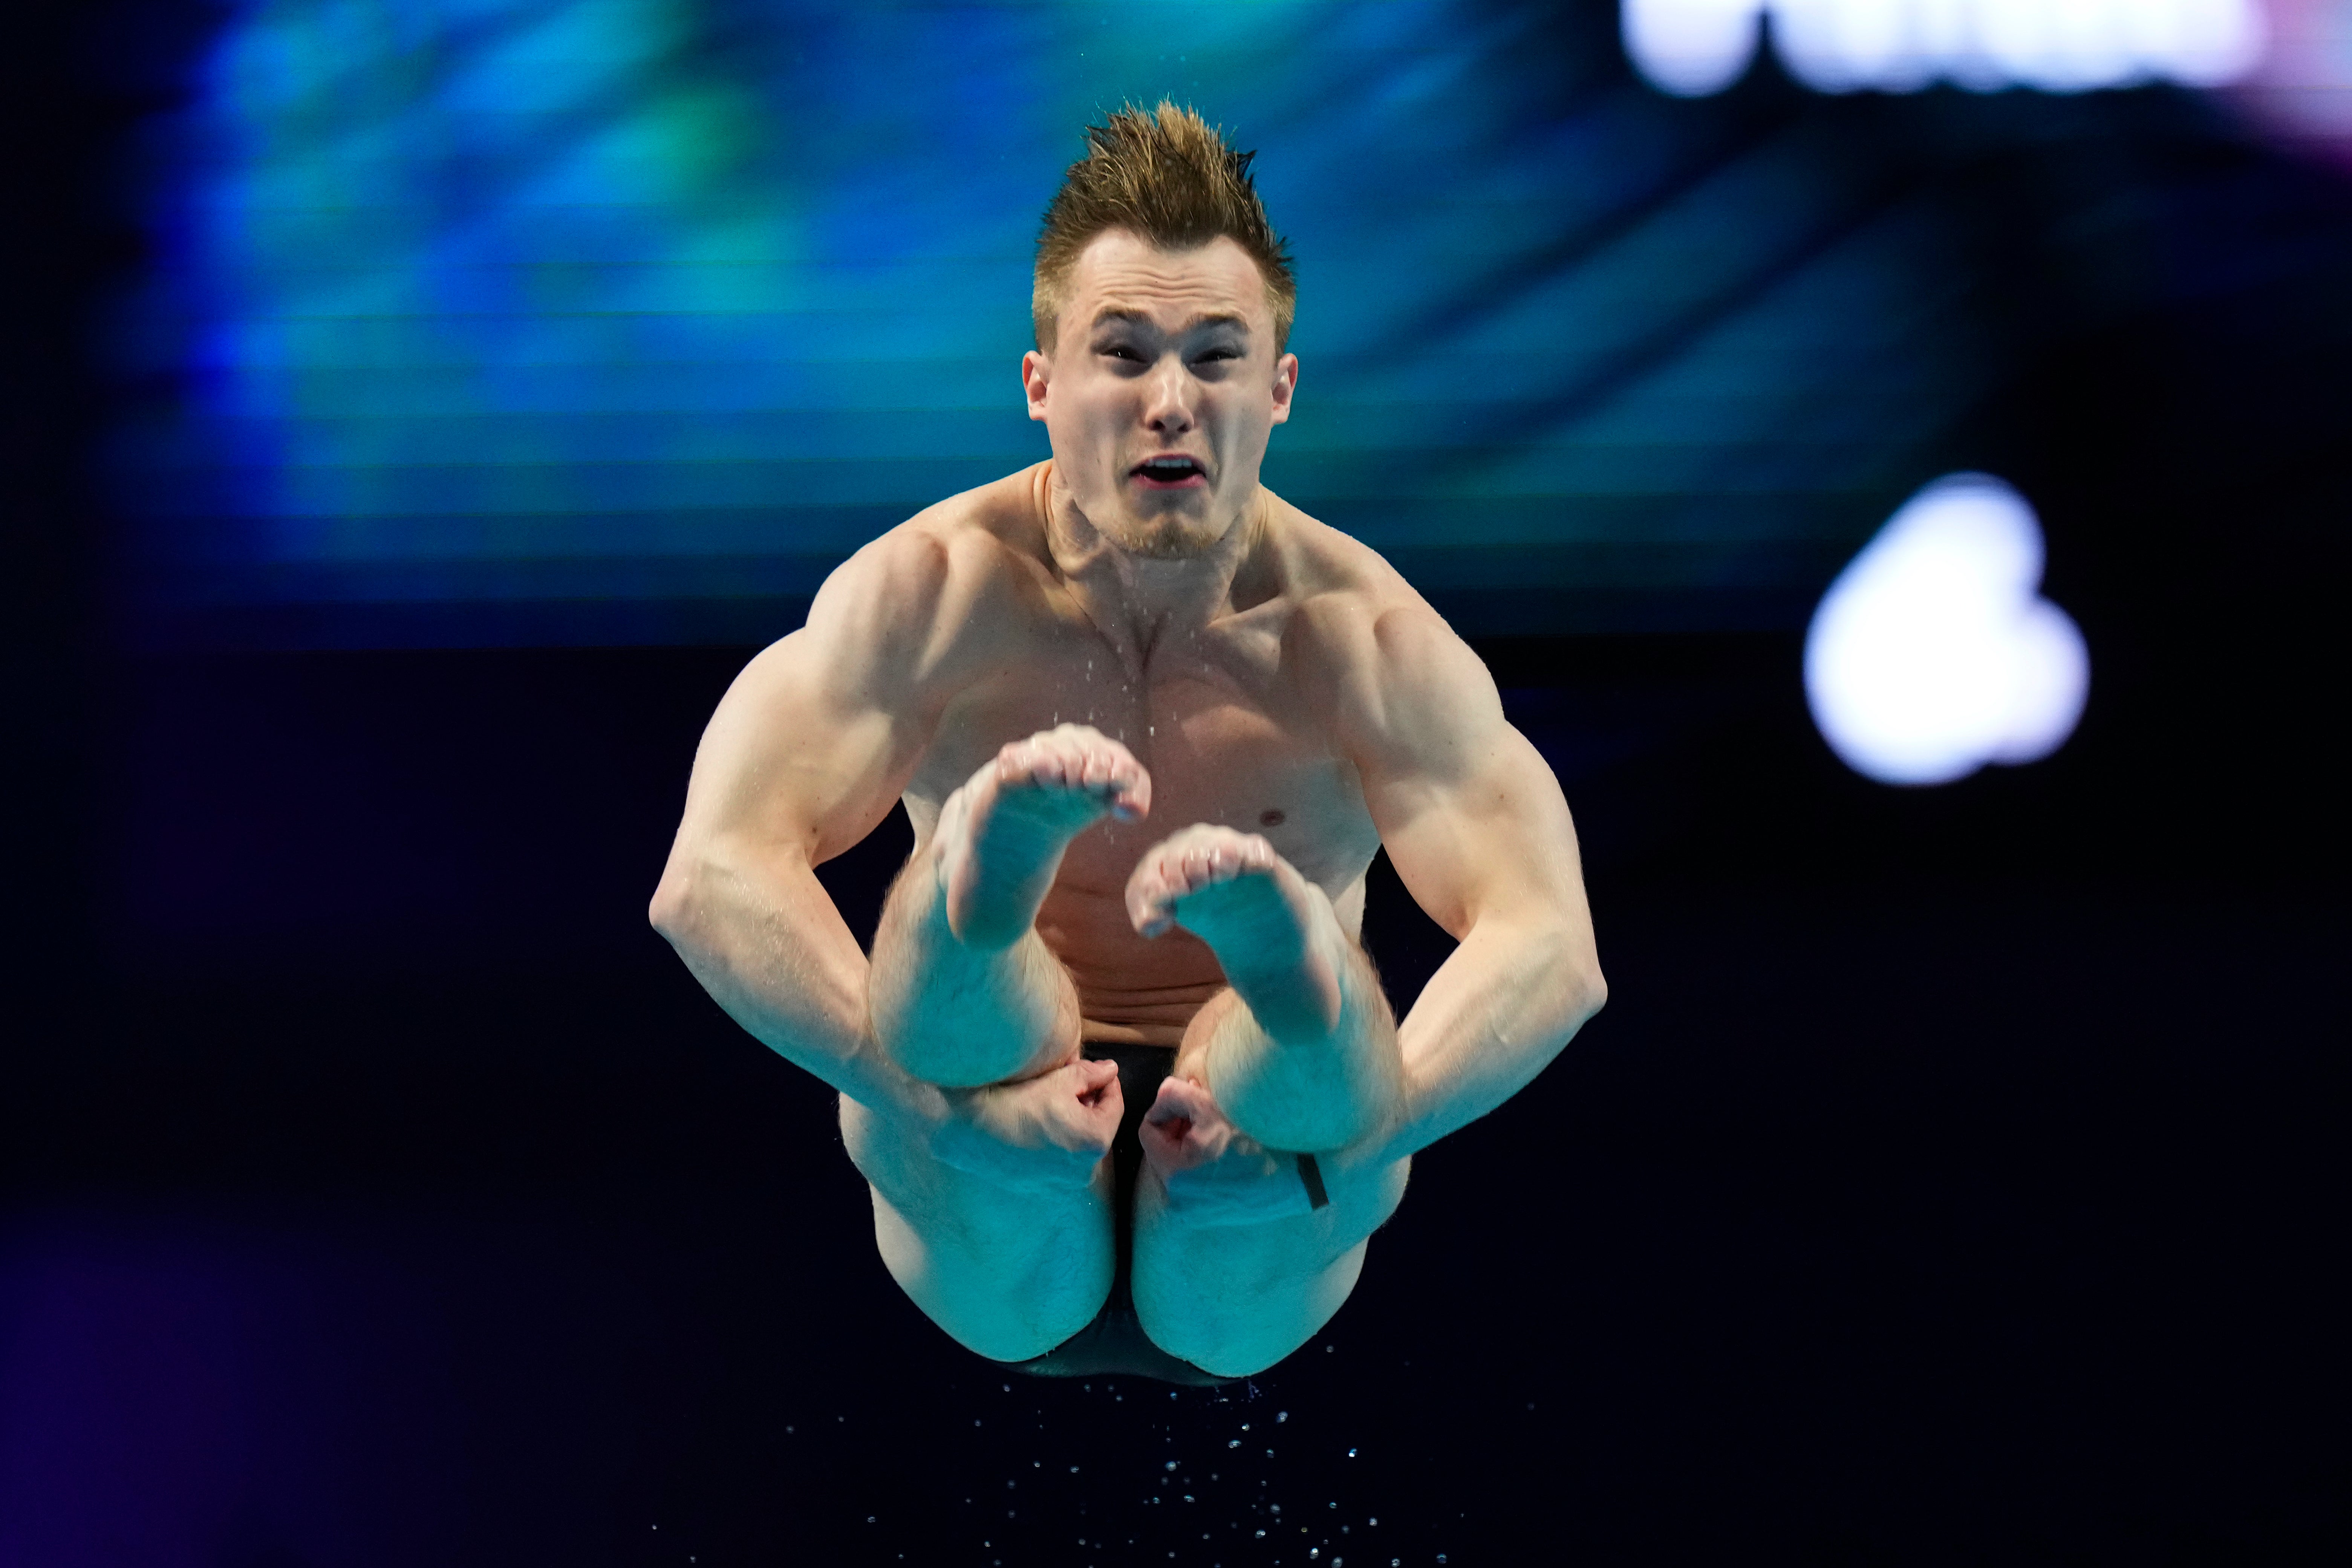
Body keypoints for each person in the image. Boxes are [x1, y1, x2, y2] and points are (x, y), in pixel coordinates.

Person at [650, 102, 1605, 1382]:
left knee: (1282, 1073)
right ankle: (983, 901)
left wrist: (1364, 1138)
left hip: (1255, 1183)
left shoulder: (1368, 643)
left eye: (1215, 357)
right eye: (1124, 353)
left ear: (1278, 389)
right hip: (987, 1142)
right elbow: (710, 876)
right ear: (1042, 383)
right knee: (976, 1033)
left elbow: (1552, 944)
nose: (1169, 402)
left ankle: (1281, 971)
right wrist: (925, 1106)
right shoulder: (928, 595)